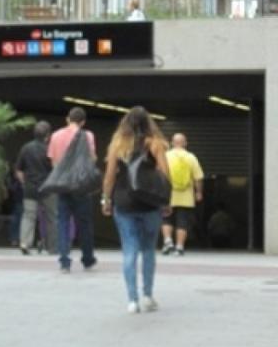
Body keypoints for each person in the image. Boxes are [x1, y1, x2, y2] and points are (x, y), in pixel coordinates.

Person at [101, 106, 169, 314]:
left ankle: (132, 300)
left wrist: (105, 199)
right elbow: (165, 173)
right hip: (150, 203)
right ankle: (147, 295)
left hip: (124, 203)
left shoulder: (118, 144)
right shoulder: (155, 143)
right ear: (148, 123)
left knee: (129, 250)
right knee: (148, 249)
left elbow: (110, 176)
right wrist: (166, 200)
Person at [48, 106, 98, 273]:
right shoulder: (88, 135)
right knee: (85, 223)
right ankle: (87, 259)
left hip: (63, 184)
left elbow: (53, 162)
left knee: (63, 221)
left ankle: (64, 261)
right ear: (83, 122)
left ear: (67, 119)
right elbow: (91, 159)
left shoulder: (55, 135)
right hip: (81, 185)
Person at [15, 121, 59, 255]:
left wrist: (24, 182)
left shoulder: (26, 148)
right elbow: (56, 169)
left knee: (28, 216)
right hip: (48, 189)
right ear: (48, 135)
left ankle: (25, 243)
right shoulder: (50, 149)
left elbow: (19, 170)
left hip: (30, 188)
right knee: (52, 217)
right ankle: (52, 247)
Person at [163, 133, 204, 256]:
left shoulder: (165, 156)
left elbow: (160, 175)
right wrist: (198, 192)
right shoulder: (191, 157)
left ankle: (168, 241)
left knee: (166, 219)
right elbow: (198, 177)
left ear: (172, 143)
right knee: (182, 222)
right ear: (185, 143)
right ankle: (179, 247)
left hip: (168, 195)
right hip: (186, 196)